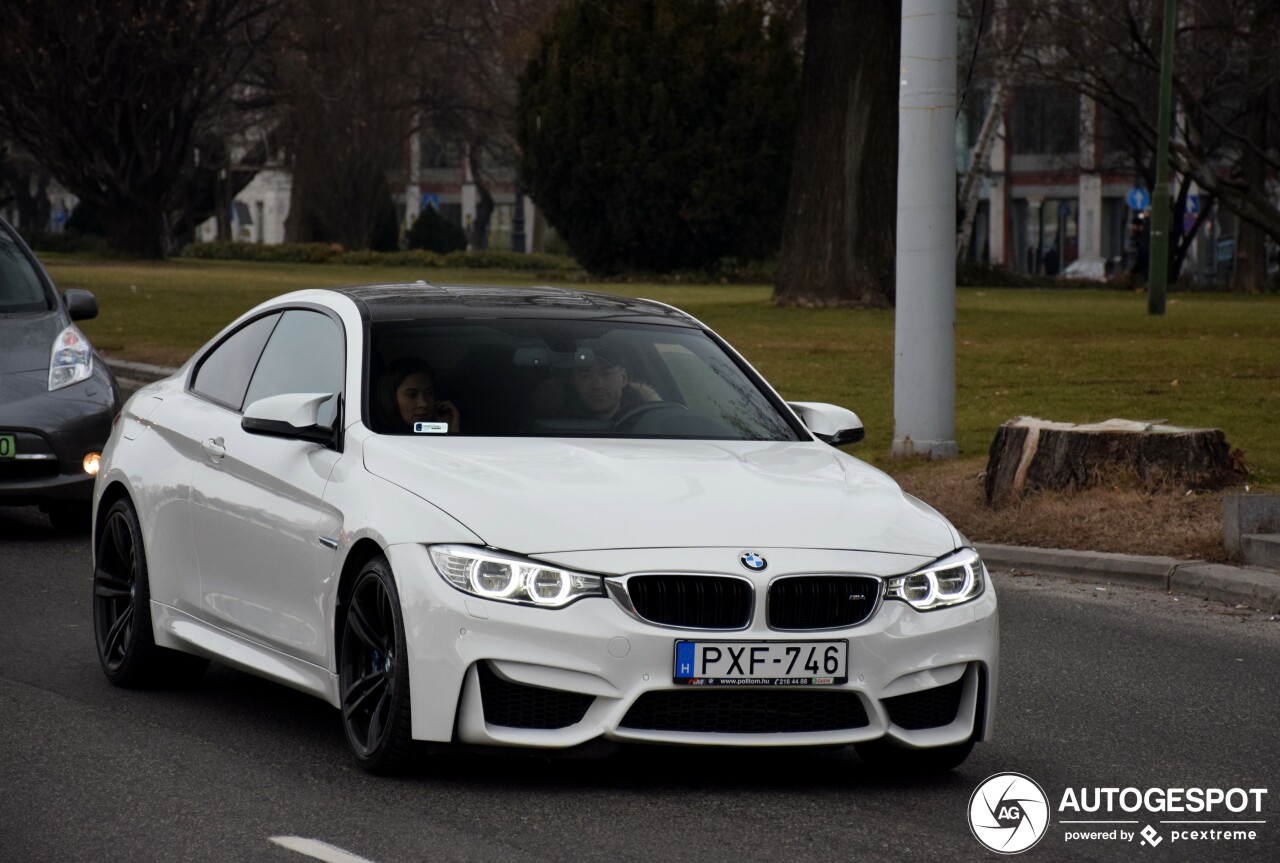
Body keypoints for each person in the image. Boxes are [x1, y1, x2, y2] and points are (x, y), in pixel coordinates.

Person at [563, 350, 658, 422]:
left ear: (624, 378)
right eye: (585, 376)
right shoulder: (556, 424)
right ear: (573, 382)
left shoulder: (652, 422)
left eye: (606, 374)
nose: (597, 385)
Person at [375, 357, 460, 433]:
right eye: (412, 395)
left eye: (430, 394)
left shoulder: (433, 432)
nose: (423, 404)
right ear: (391, 398)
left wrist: (450, 431)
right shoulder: (380, 438)